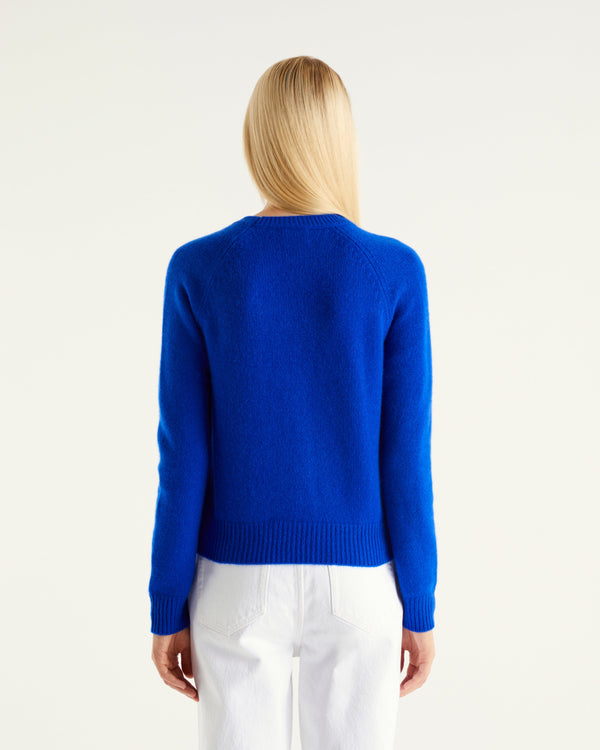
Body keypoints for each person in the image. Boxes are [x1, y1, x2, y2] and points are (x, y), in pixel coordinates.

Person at [148, 55, 437, 749]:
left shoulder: (199, 268)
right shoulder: (394, 270)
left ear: (258, 137)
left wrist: (167, 604)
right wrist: (420, 602)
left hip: (233, 582)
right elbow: (405, 457)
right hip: (360, 582)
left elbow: (183, 457)